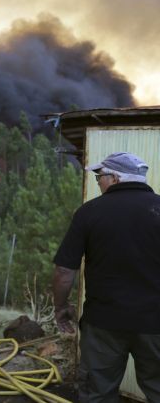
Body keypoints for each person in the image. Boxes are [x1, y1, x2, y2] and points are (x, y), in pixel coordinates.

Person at [52, 152, 160, 402]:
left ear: (115, 178)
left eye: (99, 176)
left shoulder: (89, 212)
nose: (98, 182)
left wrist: (60, 307)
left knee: (97, 393)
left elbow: (64, 271)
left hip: (103, 325)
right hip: (156, 323)